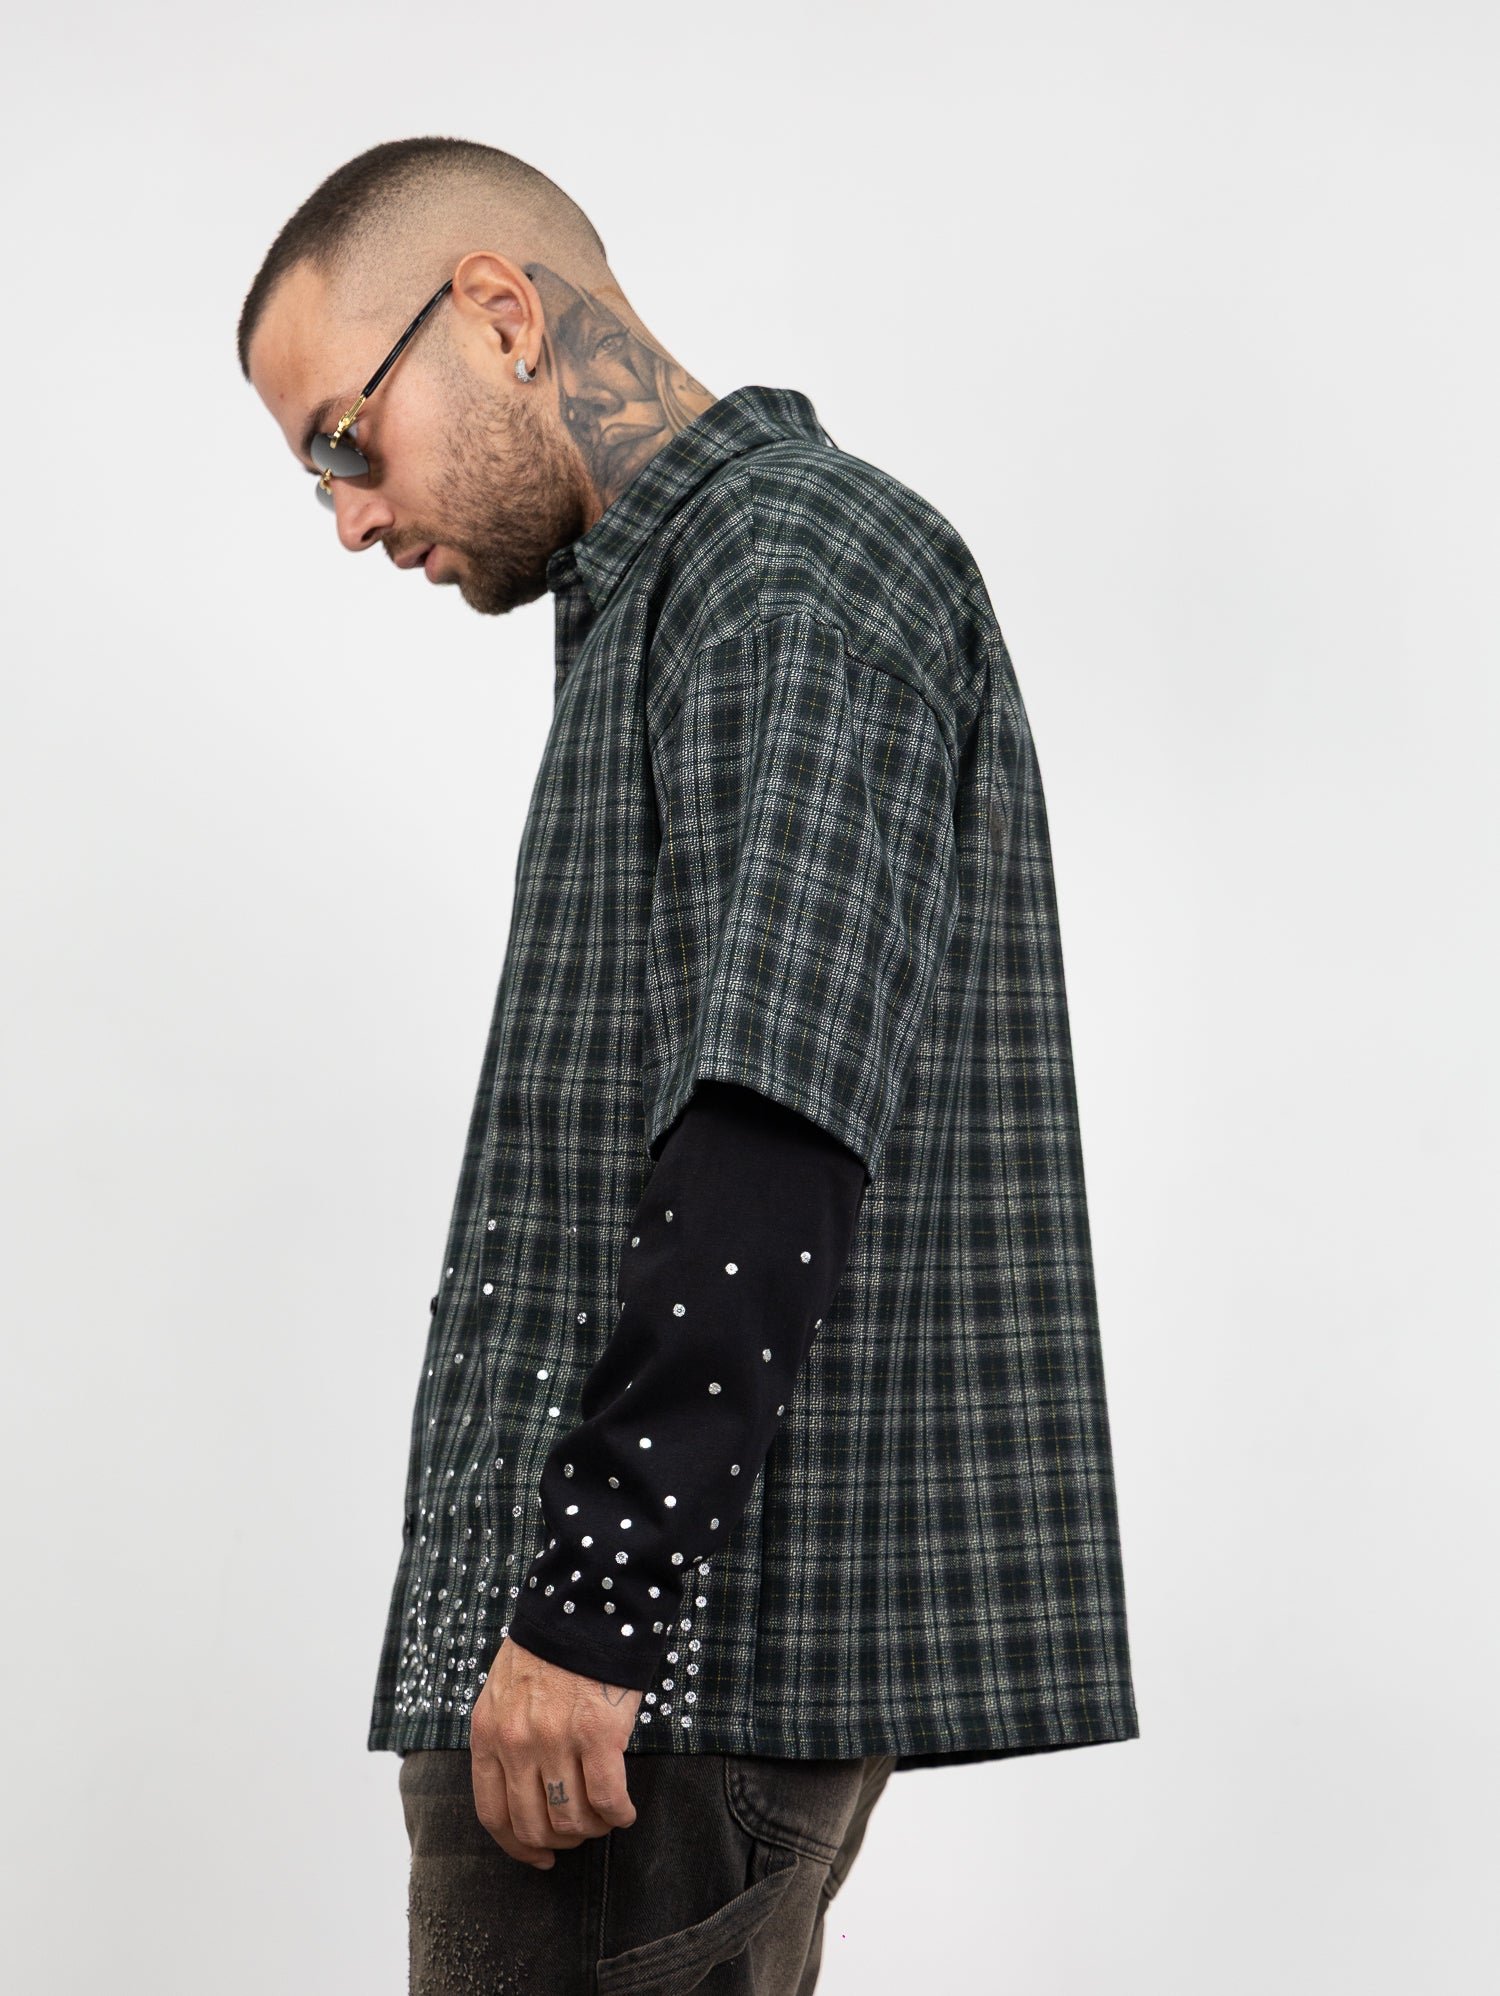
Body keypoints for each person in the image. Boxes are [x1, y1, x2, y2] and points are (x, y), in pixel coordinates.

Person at [239, 135, 1140, 1995]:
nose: (347, 518)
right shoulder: (674, 596)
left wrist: (589, 1610)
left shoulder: (790, 566)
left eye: (345, 440)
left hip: (648, 1693)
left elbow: (773, 1116)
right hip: (623, 1689)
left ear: (500, 313)